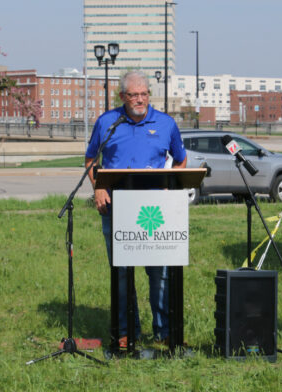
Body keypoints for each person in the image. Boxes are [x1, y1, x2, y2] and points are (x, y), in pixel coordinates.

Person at [85, 70, 187, 346]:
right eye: (133, 95)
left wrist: (170, 184)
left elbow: (181, 161)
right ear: (122, 96)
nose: (139, 99)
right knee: (121, 274)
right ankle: (127, 331)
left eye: (144, 94)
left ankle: (165, 332)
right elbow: (91, 159)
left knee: (160, 274)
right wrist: (98, 187)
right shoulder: (108, 122)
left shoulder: (166, 124)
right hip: (118, 209)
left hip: (155, 211)